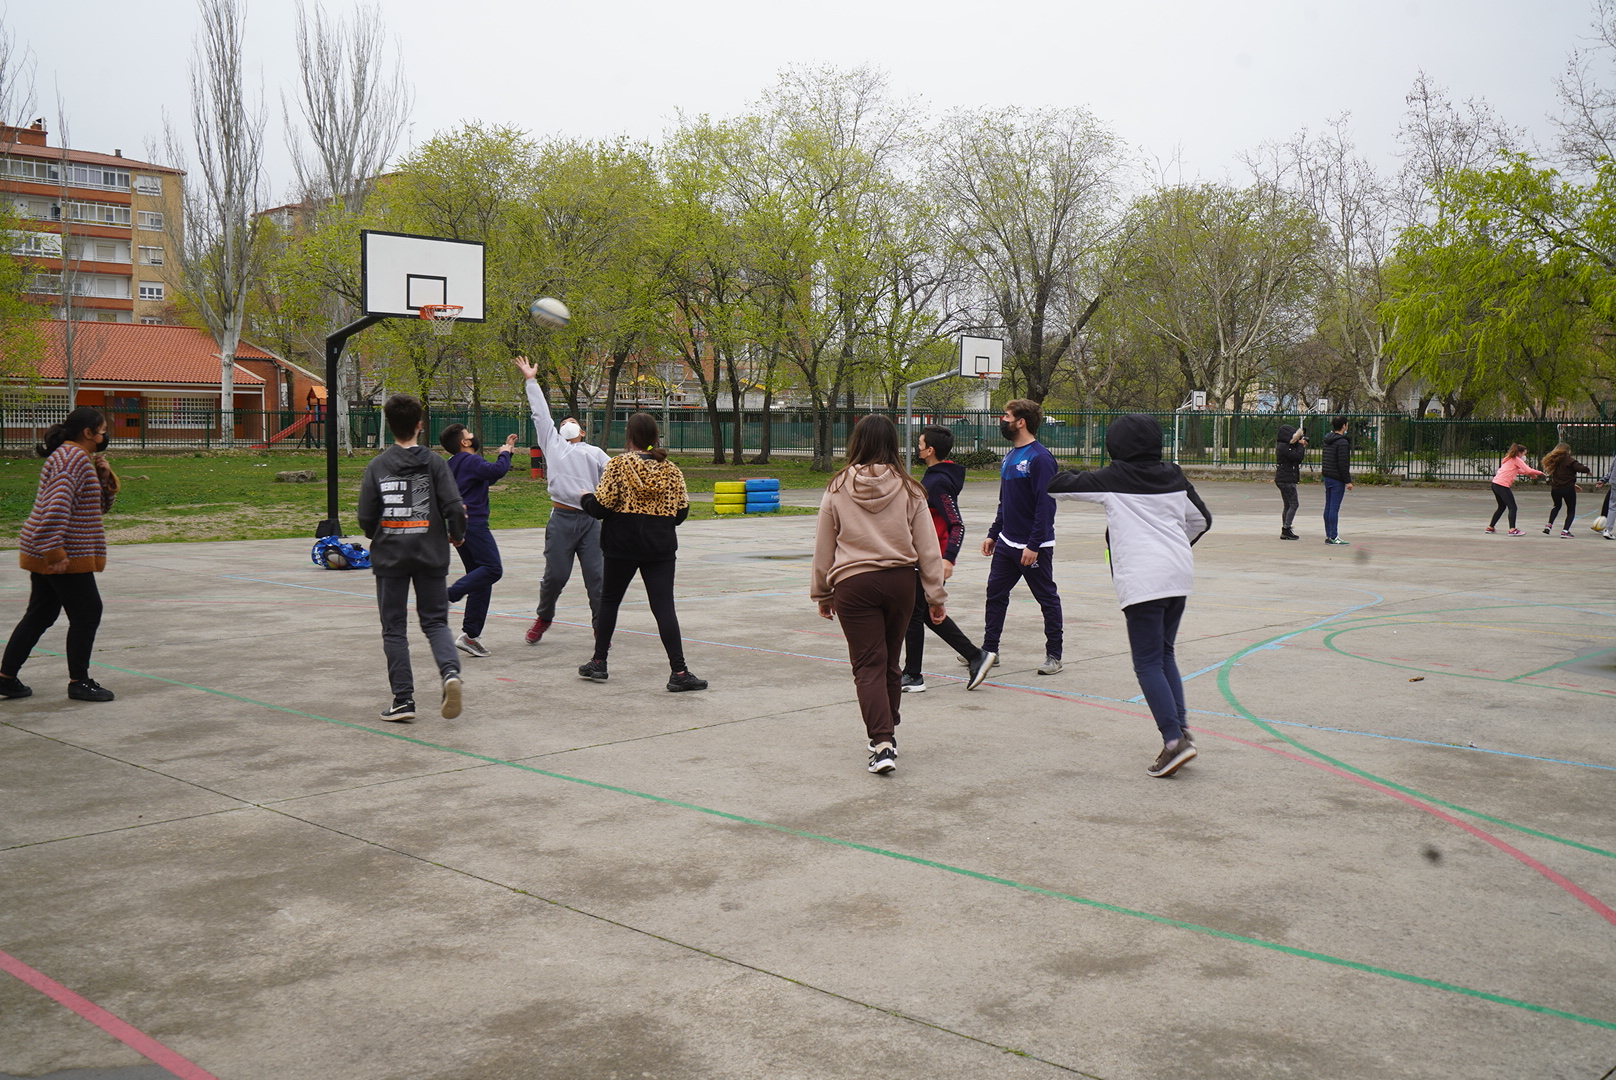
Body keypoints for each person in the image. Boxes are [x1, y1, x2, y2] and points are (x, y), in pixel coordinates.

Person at [1048, 414, 1212, 778]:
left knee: (1147, 662)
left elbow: (1056, 486)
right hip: (1178, 574)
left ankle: (1173, 740)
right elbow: (1201, 520)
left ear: (1116, 445)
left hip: (1144, 580)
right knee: (1164, 653)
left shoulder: (1114, 477)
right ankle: (1181, 730)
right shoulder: (1174, 475)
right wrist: (1173, 547)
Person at [811, 415, 947, 774]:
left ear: (857, 442)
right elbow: (928, 548)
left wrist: (822, 591)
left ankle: (882, 742)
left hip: (854, 583)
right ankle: (888, 728)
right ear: (893, 444)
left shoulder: (837, 487)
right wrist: (935, 596)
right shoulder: (911, 489)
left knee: (868, 665)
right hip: (901, 581)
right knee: (889, 661)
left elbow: (824, 544)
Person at [358, 393, 468, 722]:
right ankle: (450, 673)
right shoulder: (435, 463)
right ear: (420, 425)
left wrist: (379, 532)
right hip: (430, 553)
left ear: (389, 425)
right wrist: (457, 535)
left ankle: (403, 700)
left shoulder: (378, 466)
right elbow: (454, 507)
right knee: (435, 622)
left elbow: (366, 517)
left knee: (394, 628)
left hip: (391, 557)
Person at [578, 412, 707, 692]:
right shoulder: (671, 470)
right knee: (663, 607)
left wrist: (585, 497)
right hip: (659, 547)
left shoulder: (618, 465)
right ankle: (679, 671)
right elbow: (681, 512)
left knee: (609, 601)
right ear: (655, 436)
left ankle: (599, 662)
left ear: (630, 436)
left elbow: (601, 508)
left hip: (621, 545)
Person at [0, 406, 118, 702]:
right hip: (63, 552)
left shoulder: (73, 457)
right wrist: (55, 553)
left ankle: (5, 678)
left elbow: (94, 508)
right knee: (87, 613)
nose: (105, 436)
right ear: (88, 433)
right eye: (102, 431)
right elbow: (55, 509)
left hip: (48, 548)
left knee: (41, 614)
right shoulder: (72, 459)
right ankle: (79, 682)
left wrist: (104, 478)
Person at [514, 357, 611, 646]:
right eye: (564, 422)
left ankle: (601, 628)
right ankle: (544, 616)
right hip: (562, 520)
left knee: (597, 579)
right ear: (557, 431)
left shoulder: (594, 452)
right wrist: (531, 381)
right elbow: (541, 416)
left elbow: (617, 472)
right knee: (555, 577)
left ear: (583, 431)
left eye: (573, 422)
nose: (568, 424)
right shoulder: (553, 445)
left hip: (591, 521)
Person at [901, 425, 994, 692]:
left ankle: (913, 675)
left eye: (920, 444)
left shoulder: (938, 482)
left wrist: (948, 559)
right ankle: (975, 656)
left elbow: (956, 524)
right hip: (925, 555)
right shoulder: (934, 476)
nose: (917, 448)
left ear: (930, 450)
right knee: (925, 613)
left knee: (914, 614)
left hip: (933, 558)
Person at [981, 399, 1063, 674]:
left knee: (1046, 598)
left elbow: (1046, 506)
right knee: (995, 594)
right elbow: (1005, 502)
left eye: (1006, 416)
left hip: (1033, 546)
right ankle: (990, 651)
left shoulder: (1040, 458)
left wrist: (1034, 544)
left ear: (1021, 422)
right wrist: (994, 534)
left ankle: (1054, 655)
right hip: (1007, 542)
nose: (1002, 420)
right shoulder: (1009, 457)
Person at [441, 424, 517, 657]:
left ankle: (470, 636)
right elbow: (496, 471)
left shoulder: (452, 464)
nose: (473, 435)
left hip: (459, 525)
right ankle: (448, 595)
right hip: (474, 524)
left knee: (480, 579)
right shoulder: (469, 460)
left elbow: (486, 478)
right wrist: (505, 453)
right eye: (469, 434)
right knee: (493, 569)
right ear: (464, 443)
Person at [1487, 444, 1542, 535]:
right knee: (1512, 507)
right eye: (1524, 454)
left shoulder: (1509, 459)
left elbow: (1518, 470)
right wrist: (1541, 473)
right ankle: (1512, 529)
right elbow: (1528, 470)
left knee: (1502, 507)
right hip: (1502, 485)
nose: (1524, 456)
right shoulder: (1516, 459)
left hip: (1495, 484)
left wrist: (1529, 474)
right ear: (1519, 453)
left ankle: (1490, 527)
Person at [1540, 442, 1591, 538]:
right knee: (1571, 510)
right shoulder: (1570, 461)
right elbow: (1581, 468)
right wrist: (1587, 470)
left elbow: (1561, 476)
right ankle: (1565, 531)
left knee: (1556, 506)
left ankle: (1549, 525)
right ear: (1568, 451)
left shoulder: (1554, 462)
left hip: (1555, 489)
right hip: (1568, 489)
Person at [1320, 415, 1353, 545]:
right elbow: (1343, 464)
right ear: (1344, 426)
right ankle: (1333, 536)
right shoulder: (1342, 442)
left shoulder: (1328, 440)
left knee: (1328, 507)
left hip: (1328, 476)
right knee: (1334, 508)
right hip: (1337, 479)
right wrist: (1348, 481)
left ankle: (1329, 535)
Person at [1274, 423, 1307, 540]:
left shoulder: (1284, 446)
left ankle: (1286, 527)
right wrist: (1301, 446)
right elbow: (1298, 457)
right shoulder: (1283, 447)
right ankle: (1286, 529)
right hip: (1286, 479)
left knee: (1288, 505)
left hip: (1284, 478)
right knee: (1294, 504)